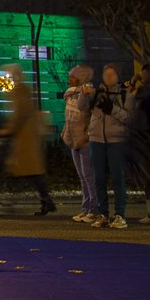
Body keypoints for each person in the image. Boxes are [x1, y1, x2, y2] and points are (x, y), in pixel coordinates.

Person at [0, 63, 56, 216]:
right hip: (27, 135)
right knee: (32, 171)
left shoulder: (19, 91)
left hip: (24, 136)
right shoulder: (23, 89)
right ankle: (45, 200)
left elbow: (19, 113)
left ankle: (7, 196)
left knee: (18, 169)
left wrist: (8, 130)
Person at [86, 63, 130, 229]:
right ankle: (103, 213)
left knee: (118, 178)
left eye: (112, 74)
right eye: (106, 74)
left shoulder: (125, 93)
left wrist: (112, 109)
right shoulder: (97, 92)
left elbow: (129, 118)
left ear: (118, 76)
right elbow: (84, 108)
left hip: (116, 140)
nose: (108, 77)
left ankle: (120, 214)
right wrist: (86, 95)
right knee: (98, 179)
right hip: (96, 139)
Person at [61, 65, 98, 223]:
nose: (70, 79)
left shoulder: (89, 93)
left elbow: (89, 113)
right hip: (72, 139)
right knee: (82, 177)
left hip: (85, 139)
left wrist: (87, 133)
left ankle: (94, 208)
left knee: (89, 176)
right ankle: (86, 207)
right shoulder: (70, 94)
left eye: (74, 76)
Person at [127, 62, 150, 225]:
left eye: (144, 75)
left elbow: (132, 100)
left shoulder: (148, 91)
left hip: (147, 139)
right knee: (148, 179)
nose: (142, 77)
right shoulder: (145, 90)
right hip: (145, 140)